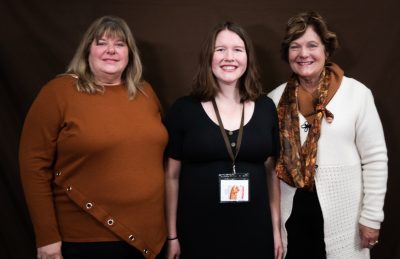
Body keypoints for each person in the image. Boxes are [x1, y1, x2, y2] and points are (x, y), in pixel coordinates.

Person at [19, 16, 167, 259]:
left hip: (152, 238)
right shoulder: (58, 93)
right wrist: (47, 237)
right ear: (88, 49)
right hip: (88, 240)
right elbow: (33, 166)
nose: (111, 50)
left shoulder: (145, 92)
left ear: (130, 53)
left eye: (119, 44)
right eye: (101, 43)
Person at [268, 11, 388, 259]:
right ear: (287, 53)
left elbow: (375, 159)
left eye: (312, 45)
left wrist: (372, 217)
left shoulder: (357, 94)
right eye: (295, 47)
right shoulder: (274, 99)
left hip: (344, 219)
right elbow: (270, 166)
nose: (304, 54)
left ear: (327, 50)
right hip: (292, 218)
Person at [165, 21, 282, 259]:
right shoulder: (184, 109)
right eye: (220, 49)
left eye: (238, 50)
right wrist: (172, 236)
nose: (229, 57)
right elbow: (171, 176)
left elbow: (271, 174)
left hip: (254, 233)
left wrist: (276, 231)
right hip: (198, 234)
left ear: (247, 58)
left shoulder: (266, 107)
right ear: (208, 56)